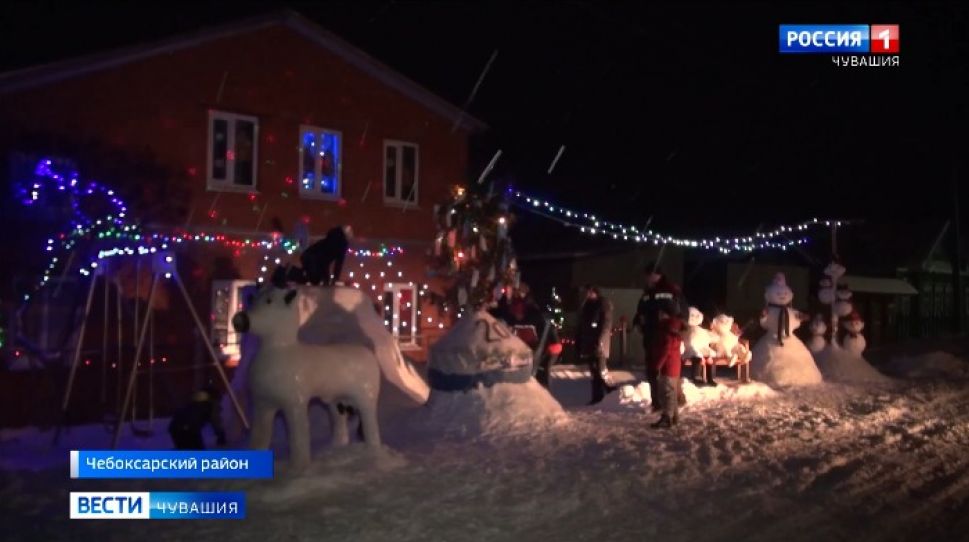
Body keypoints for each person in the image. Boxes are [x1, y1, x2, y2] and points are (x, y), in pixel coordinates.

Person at [633, 263, 687, 411]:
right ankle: (657, 402)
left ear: (658, 275)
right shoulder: (647, 294)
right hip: (650, 336)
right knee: (652, 370)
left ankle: (676, 400)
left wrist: (675, 326)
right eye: (646, 275)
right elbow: (640, 312)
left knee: (668, 372)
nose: (647, 278)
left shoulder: (671, 290)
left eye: (650, 275)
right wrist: (637, 322)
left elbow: (682, 314)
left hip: (665, 336)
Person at [491, 283, 563, 388]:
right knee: (538, 369)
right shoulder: (517, 307)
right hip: (534, 344)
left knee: (540, 369)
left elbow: (523, 320)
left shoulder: (530, 311)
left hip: (541, 345)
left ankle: (541, 389)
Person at [574, 285, 614, 404]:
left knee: (600, 369)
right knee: (594, 371)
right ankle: (598, 396)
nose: (586, 294)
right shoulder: (587, 305)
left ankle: (611, 392)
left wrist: (600, 340)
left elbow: (606, 324)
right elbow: (582, 324)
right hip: (590, 342)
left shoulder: (602, 304)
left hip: (598, 343)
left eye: (589, 292)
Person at [651, 314, 684, 429]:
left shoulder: (667, 336)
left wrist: (657, 366)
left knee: (667, 393)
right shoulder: (676, 336)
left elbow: (665, 353)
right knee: (673, 393)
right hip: (675, 368)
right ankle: (674, 417)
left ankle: (667, 417)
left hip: (668, 368)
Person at [168, 386, 227, 450]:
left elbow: (180, 414)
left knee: (183, 449)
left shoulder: (192, 400)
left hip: (174, 428)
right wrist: (221, 436)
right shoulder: (210, 405)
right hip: (190, 429)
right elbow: (215, 421)